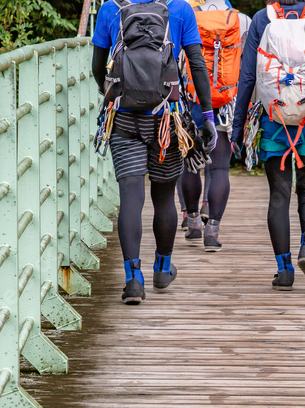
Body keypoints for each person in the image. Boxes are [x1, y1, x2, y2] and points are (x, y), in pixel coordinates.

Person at [92, 0, 218, 304]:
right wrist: (208, 117)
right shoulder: (180, 9)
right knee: (163, 197)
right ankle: (162, 268)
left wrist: (114, 96)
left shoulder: (111, 8)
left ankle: (133, 279)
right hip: (168, 121)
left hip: (123, 119)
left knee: (131, 199)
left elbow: (97, 67)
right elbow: (198, 64)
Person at [230, 0, 305, 290]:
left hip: (274, 117)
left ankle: (284, 270)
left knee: (279, 194)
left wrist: (237, 126)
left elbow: (248, 77)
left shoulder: (261, 19)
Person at [179, 0, 250, 250]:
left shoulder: (186, 15)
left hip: (192, 101)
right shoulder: (242, 21)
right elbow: (247, 67)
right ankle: (213, 232)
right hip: (226, 102)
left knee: (190, 165)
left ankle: (194, 222)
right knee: (219, 169)